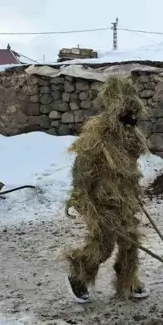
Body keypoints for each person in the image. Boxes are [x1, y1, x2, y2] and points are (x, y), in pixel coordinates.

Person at [63, 76, 151, 302]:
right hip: (100, 202)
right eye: (127, 111)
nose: (132, 117)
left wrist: (133, 190)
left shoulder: (129, 136)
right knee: (102, 245)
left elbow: (129, 168)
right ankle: (78, 276)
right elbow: (82, 171)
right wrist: (83, 200)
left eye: (134, 112)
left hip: (124, 199)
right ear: (115, 108)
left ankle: (128, 283)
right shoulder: (97, 135)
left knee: (131, 242)